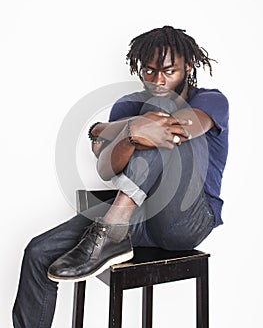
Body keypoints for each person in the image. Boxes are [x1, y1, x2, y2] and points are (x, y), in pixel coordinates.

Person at [13, 26, 229, 327]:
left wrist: (104, 129)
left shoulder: (210, 100)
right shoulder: (128, 104)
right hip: (138, 216)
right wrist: (129, 134)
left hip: (187, 217)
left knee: (162, 113)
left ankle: (112, 230)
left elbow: (178, 129)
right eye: (150, 71)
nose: (158, 81)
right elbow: (106, 168)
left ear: (187, 68)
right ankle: (112, 233)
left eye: (168, 71)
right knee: (37, 251)